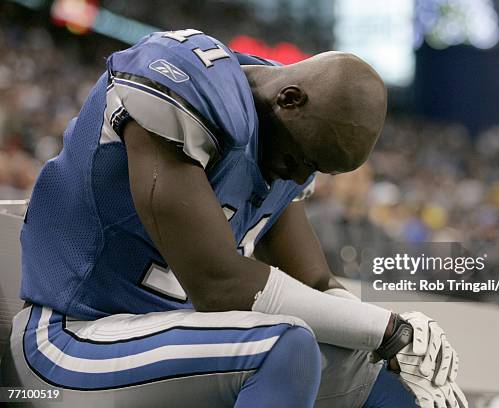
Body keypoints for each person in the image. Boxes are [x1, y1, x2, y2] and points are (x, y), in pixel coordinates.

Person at [1, 29, 467, 407]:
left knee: (390, 376)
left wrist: (401, 342)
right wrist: (384, 329)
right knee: (282, 347)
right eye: (302, 158)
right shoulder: (187, 84)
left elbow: (316, 281)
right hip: (71, 341)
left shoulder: (280, 136)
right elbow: (219, 283)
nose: (300, 175)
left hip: (183, 351)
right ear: (288, 99)